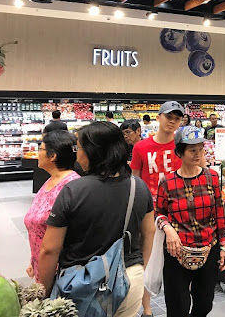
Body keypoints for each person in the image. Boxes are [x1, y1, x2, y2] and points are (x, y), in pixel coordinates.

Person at [37, 122, 155, 317]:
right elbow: (149, 232)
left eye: (79, 148)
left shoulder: (73, 191)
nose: (77, 155)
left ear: (93, 151)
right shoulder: (139, 187)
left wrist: (44, 293)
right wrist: (139, 268)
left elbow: (50, 249)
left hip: (82, 284)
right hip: (129, 278)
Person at [156, 126, 225, 317]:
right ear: (180, 153)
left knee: (204, 304)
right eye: (192, 150)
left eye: (201, 149)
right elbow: (159, 213)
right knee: (177, 307)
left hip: (208, 248)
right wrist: (168, 229)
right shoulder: (167, 182)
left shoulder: (211, 177)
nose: (198, 154)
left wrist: (224, 246)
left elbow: (219, 211)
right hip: (177, 251)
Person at [130, 101, 184, 317]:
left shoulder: (182, 147)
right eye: (168, 116)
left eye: (177, 118)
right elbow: (134, 179)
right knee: (147, 259)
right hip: (149, 213)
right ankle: (147, 308)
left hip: (178, 212)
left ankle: (176, 306)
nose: (172, 121)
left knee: (175, 261)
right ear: (158, 117)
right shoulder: (141, 147)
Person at [24, 131, 80, 282]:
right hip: (44, 266)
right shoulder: (50, 181)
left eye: (41, 149)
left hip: (61, 275)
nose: (38, 153)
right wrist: (34, 260)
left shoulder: (71, 186)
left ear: (53, 156)